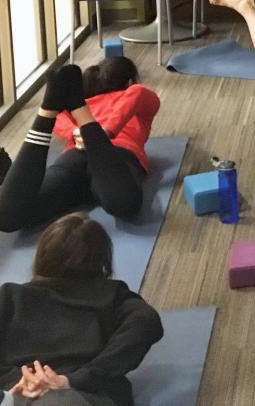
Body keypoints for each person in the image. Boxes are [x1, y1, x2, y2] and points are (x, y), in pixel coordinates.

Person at [0, 213, 164, 406]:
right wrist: (77, 378)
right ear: (102, 262)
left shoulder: (10, 295)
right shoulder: (112, 295)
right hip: (70, 393)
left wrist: (23, 379)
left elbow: (145, 322)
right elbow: (146, 321)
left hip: (49, 393)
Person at [0, 61, 159, 232]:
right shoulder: (132, 97)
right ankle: (53, 110)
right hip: (113, 155)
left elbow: (59, 118)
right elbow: (139, 91)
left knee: (8, 217)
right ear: (128, 82)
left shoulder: (74, 108)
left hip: (83, 156)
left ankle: (46, 111)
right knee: (125, 204)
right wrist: (91, 133)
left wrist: (84, 132)